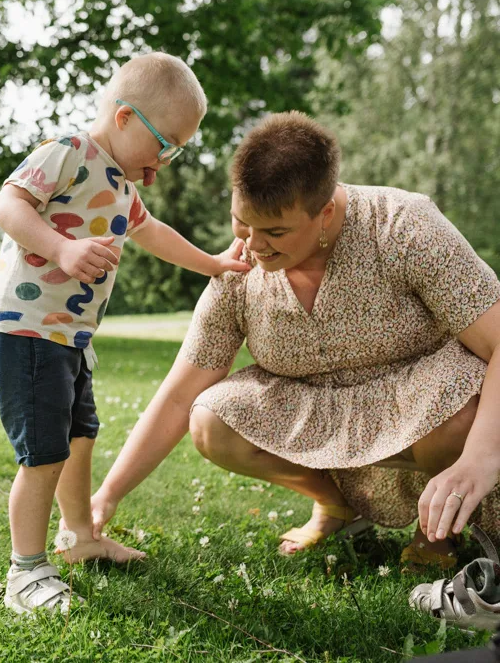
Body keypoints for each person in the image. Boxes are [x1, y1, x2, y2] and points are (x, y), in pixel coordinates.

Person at [91, 111, 500, 567]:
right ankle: (334, 505)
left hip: (426, 404)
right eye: (241, 222)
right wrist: (106, 496)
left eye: (275, 231)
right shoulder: (239, 267)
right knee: (210, 418)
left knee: (459, 409)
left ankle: (439, 532)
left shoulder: (405, 226)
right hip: (320, 411)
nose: (254, 244)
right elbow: (178, 395)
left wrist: (482, 457)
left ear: (324, 212)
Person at [0, 52, 250, 615]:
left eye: (177, 150)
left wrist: (215, 264)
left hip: (68, 339)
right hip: (24, 334)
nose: (166, 161)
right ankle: (24, 572)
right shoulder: (67, 154)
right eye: (165, 144)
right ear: (124, 118)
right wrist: (61, 247)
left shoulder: (122, 185)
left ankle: (78, 538)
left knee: (80, 438)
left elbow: (157, 235)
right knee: (44, 455)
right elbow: (9, 205)